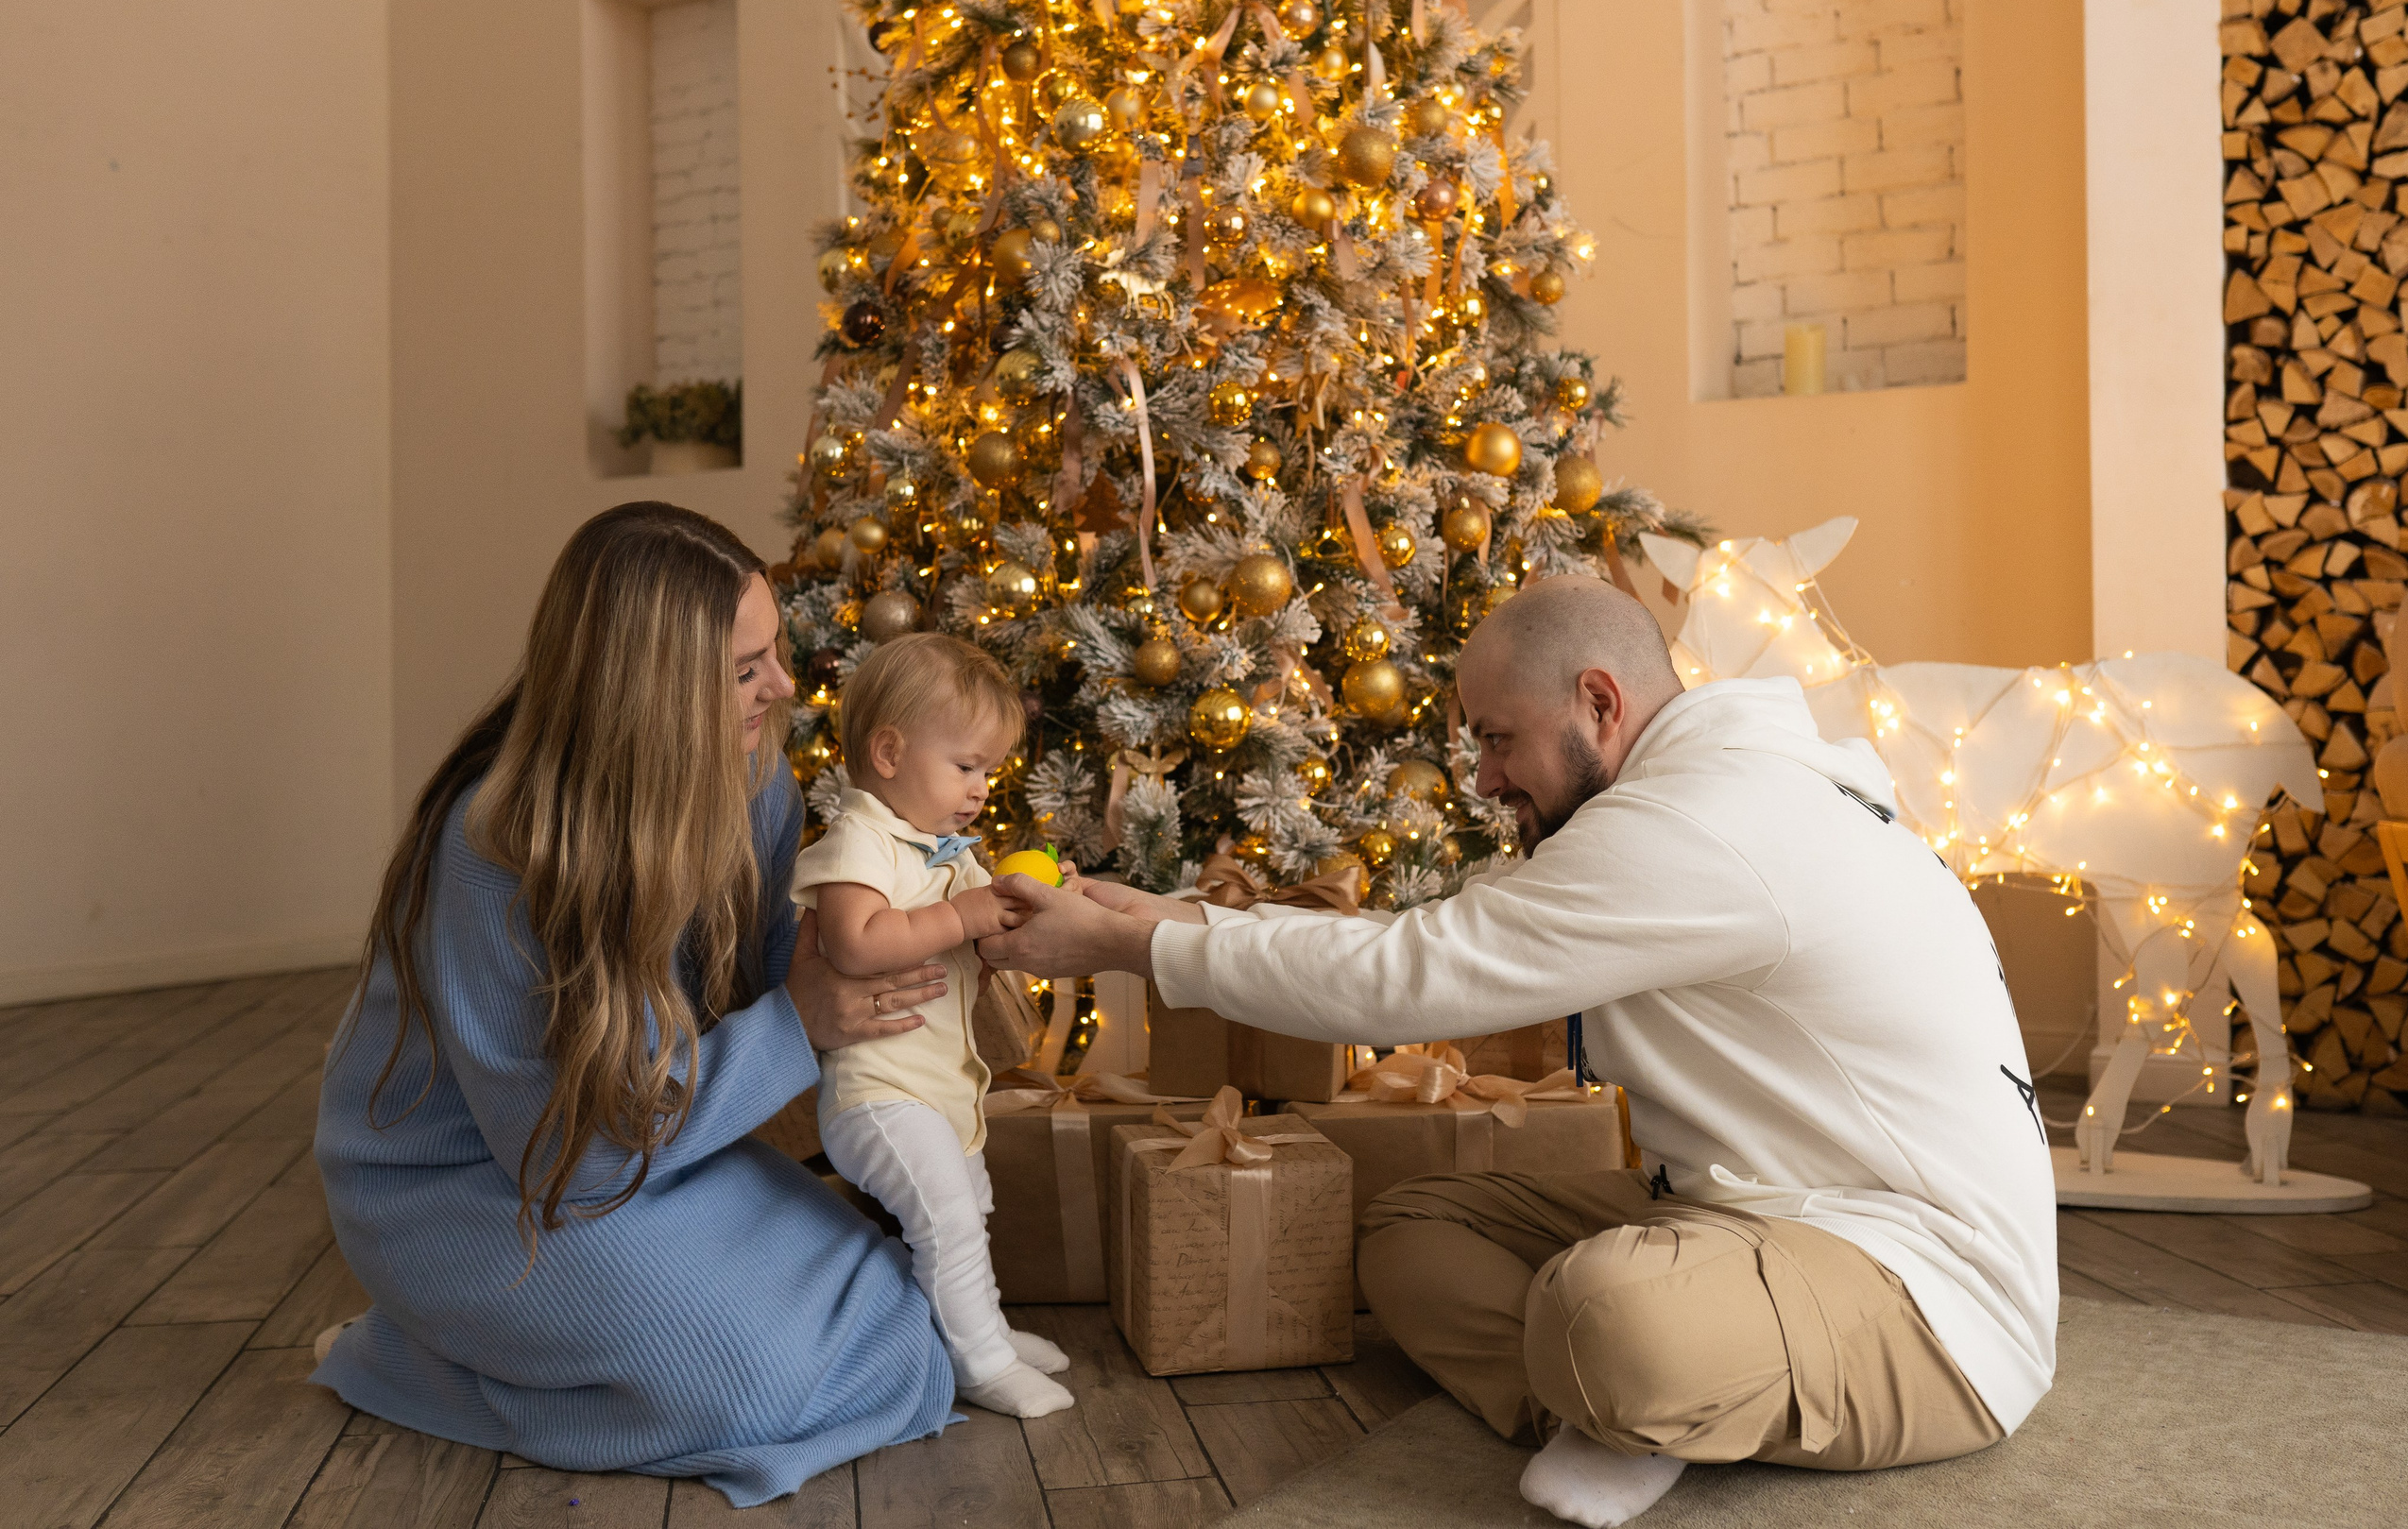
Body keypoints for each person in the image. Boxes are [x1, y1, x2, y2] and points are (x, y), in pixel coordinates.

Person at [976, 574, 2057, 1528]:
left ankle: (1635, 1392)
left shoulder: (1709, 825)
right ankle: (1623, 1412)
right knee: (1411, 1230)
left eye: (1497, 738)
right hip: (1739, 1213)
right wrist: (1150, 913)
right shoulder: (1675, 806)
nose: (1484, 779)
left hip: (1923, 1291)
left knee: (1605, 1315)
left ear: (1599, 700)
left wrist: (1130, 948)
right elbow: (1413, 938)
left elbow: (1409, 980)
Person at [314, 502, 960, 1509]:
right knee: (754, 1384)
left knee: (895, 1301)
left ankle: (535, 1348)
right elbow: (568, 1153)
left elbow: (782, 958)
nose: (785, 686)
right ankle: (413, 1354)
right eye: (747, 669)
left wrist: (904, 927)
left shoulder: (752, 770)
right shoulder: (499, 850)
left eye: (776, 650)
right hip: (490, 1183)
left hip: (647, 1140)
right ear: (651, 691)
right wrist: (797, 1023)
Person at [791, 633, 1076, 1419]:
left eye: (989, 769)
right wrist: (961, 910)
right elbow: (854, 941)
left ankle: (982, 1327)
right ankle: (979, 1360)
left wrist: (1038, 895)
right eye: (966, 765)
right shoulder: (862, 841)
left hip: (940, 1090)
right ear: (888, 750)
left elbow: (987, 930)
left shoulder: (944, 852)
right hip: (878, 1094)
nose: (983, 787)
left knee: (971, 1207)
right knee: (946, 1214)